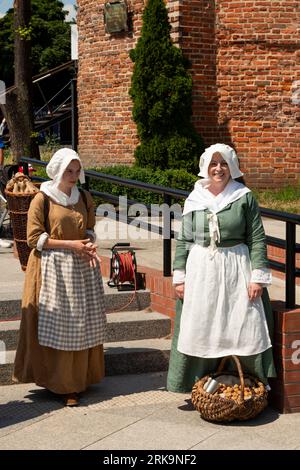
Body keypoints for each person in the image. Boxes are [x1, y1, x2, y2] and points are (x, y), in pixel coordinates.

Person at [167, 143, 276, 393]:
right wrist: (179, 277)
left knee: (243, 323)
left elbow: (257, 237)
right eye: (214, 164)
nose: (219, 168)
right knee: (202, 323)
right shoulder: (195, 198)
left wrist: (257, 277)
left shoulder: (243, 196)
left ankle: (250, 386)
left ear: (232, 167)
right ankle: (200, 385)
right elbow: (184, 239)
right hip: (202, 270)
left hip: (237, 266)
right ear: (205, 167)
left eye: (224, 163)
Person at [13, 148, 107, 406]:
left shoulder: (83, 196)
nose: (74, 176)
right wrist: (72, 245)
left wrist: (87, 243)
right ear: (57, 170)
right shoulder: (42, 199)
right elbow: (34, 239)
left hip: (80, 268)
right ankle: (62, 383)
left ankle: (80, 379)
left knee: (82, 323)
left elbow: (89, 229)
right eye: (69, 171)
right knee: (59, 323)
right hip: (50, 268)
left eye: (77, 171)